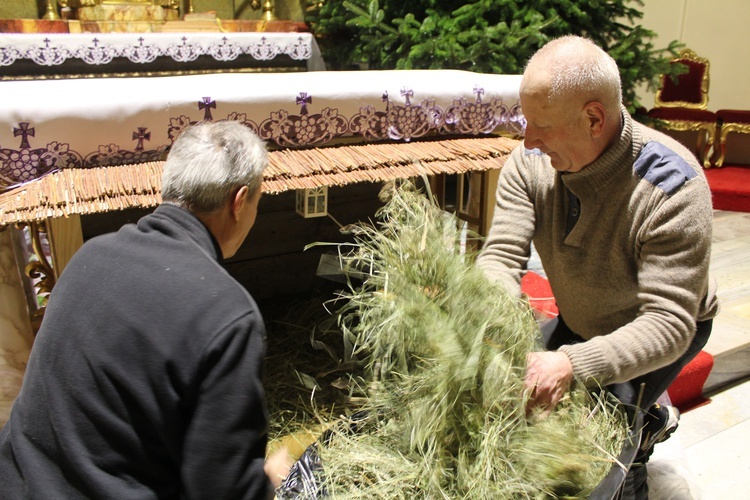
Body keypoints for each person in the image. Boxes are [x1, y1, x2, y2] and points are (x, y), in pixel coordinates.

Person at [476, 35, 719, 498]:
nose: (528, 139)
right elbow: (500, 258)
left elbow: (668, 325)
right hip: (582, 316)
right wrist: (494, 319)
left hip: (661, 331)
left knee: (600, 456)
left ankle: (636, 450)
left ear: (593, 118)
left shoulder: (672, 187)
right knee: (520, 408)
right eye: (526, 122)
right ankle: (648, 425)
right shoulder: (530, 161)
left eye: (541, 125)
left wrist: (569, 362)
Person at [0, 121, 291, 498]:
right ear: (239, 202)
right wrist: (266, 481)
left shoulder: (90, 255)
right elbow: (221, 488)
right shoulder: (226, 315)